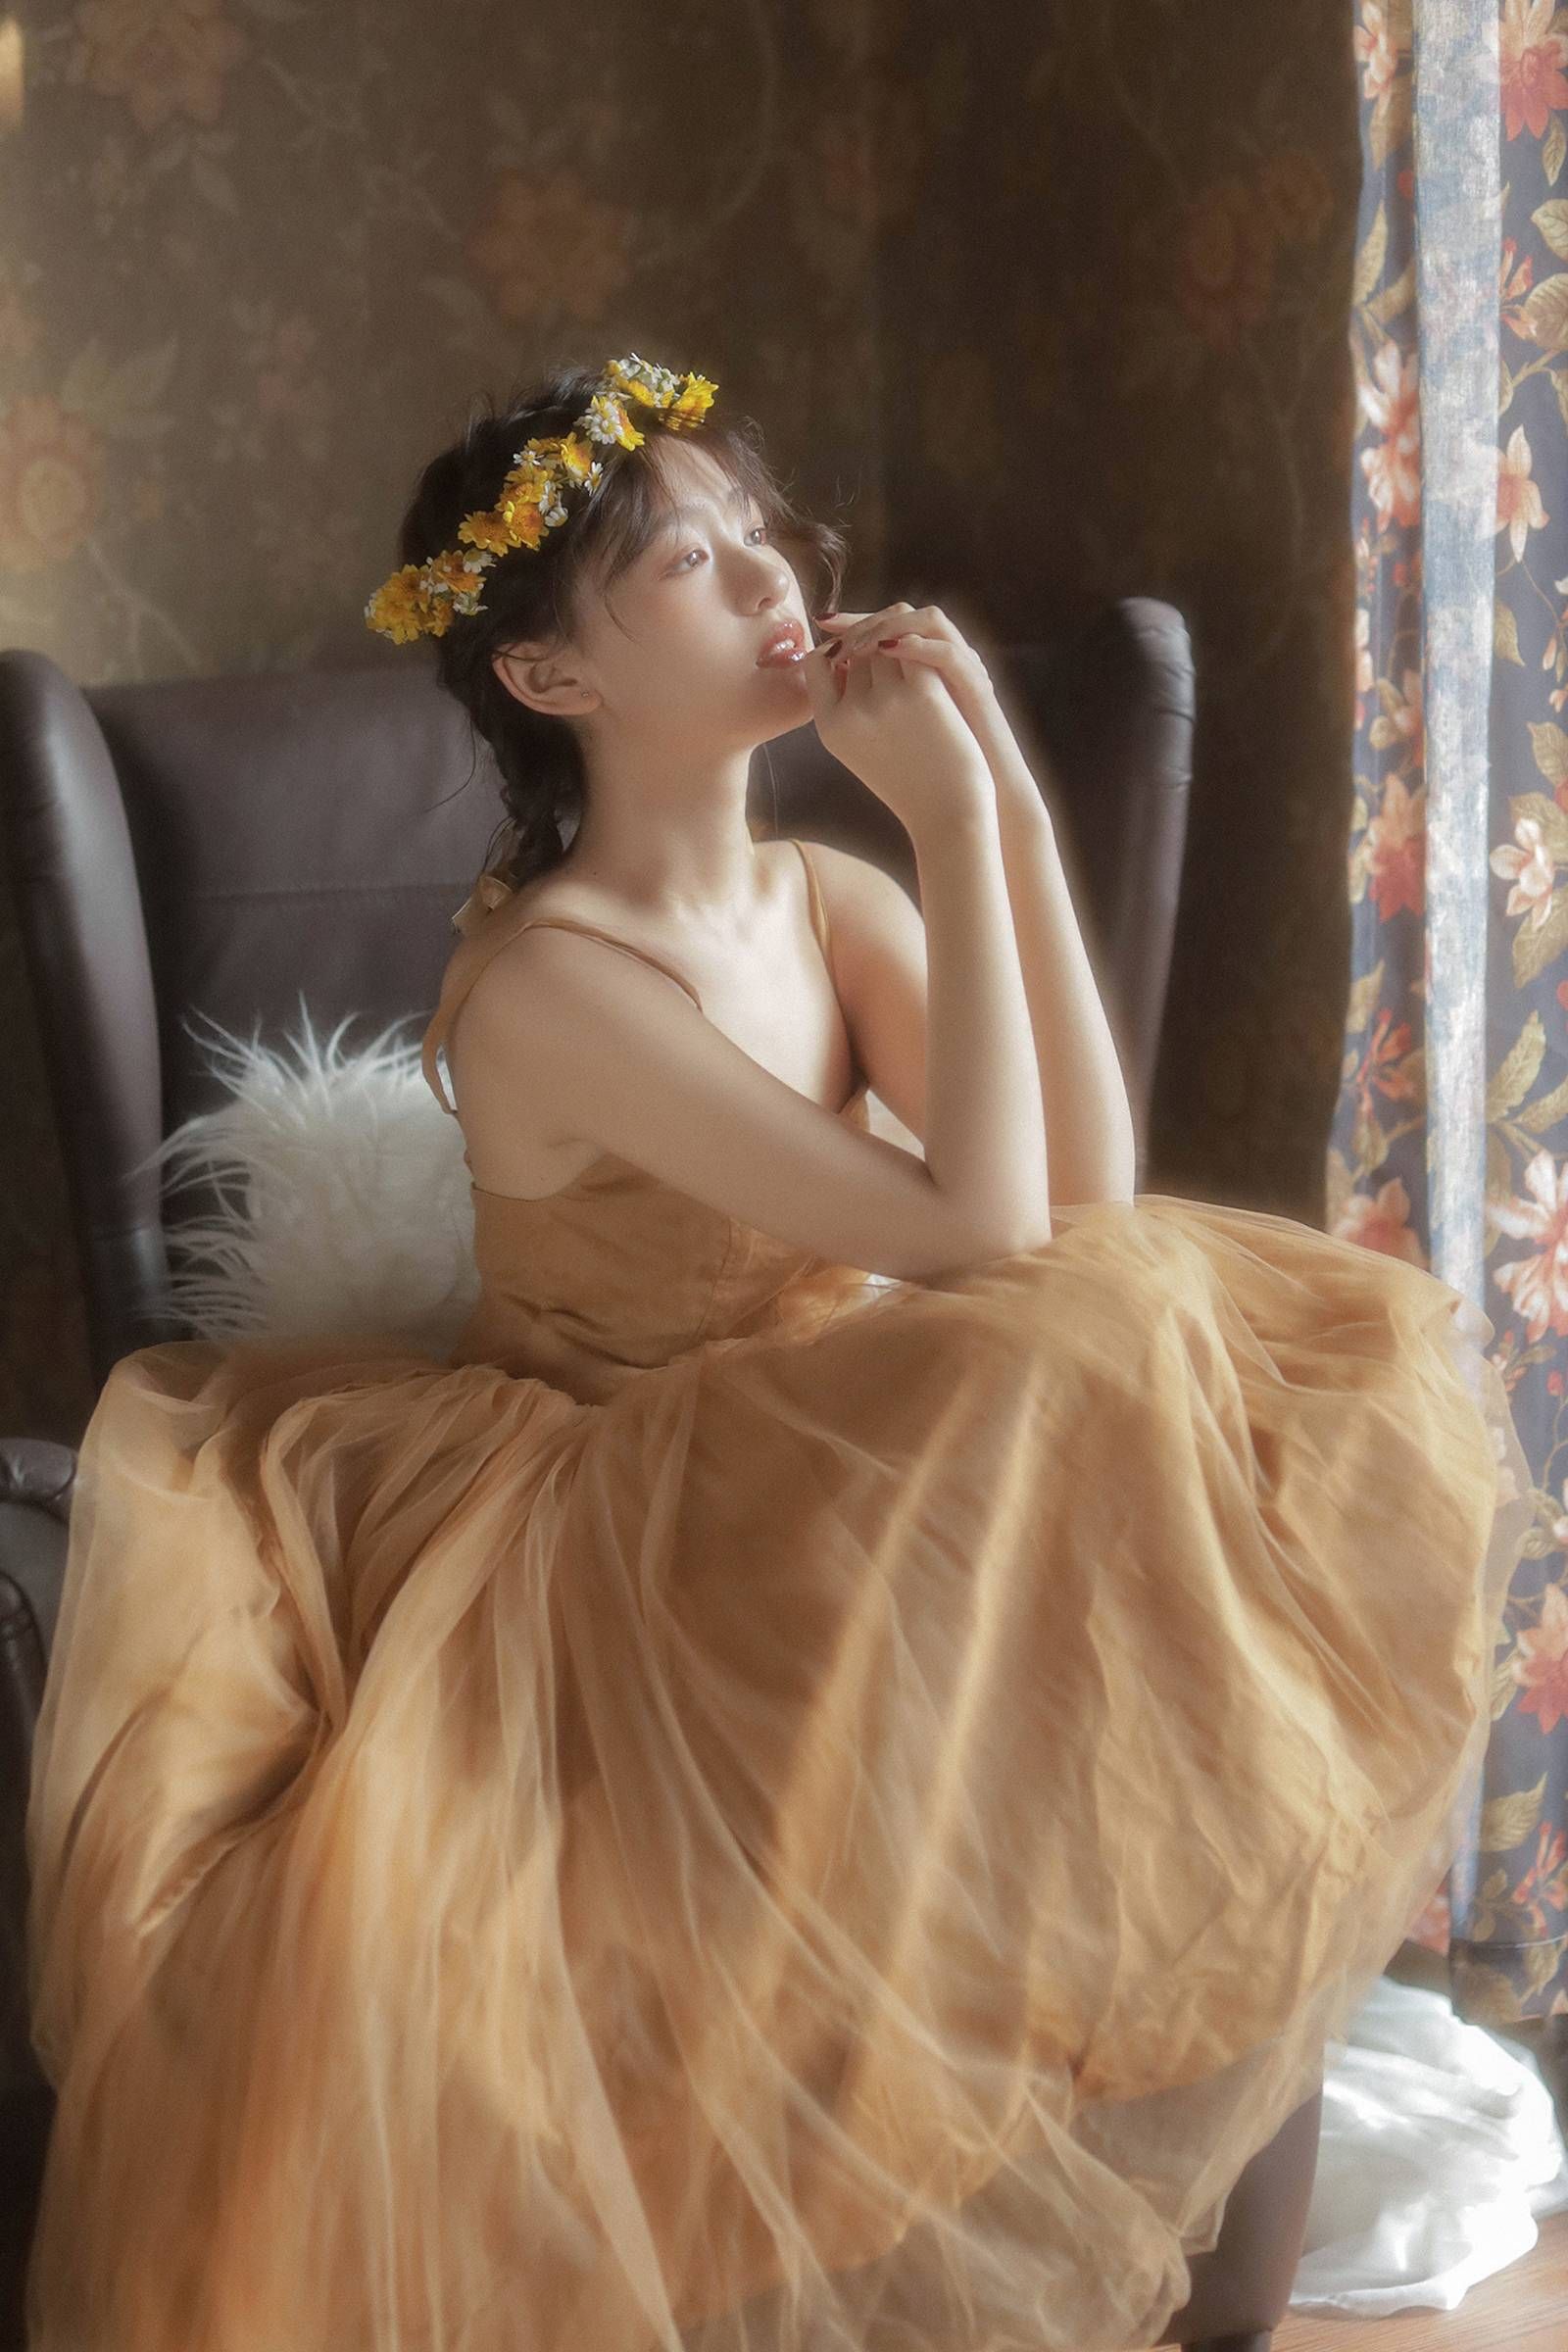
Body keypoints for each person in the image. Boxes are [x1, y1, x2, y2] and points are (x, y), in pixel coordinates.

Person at [22, 351, 1533, 2352]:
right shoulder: (551, 980)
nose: (768, 580)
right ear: (551, 675)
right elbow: (980, 1233)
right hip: (614, 1510)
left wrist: (994, 803)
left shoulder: (820, 895)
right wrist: (948, 813)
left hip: (827, 1450)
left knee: (1183, 1318)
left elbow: (1087, 1201)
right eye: (685, 562)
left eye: (758, 534)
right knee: (1096, 1346)